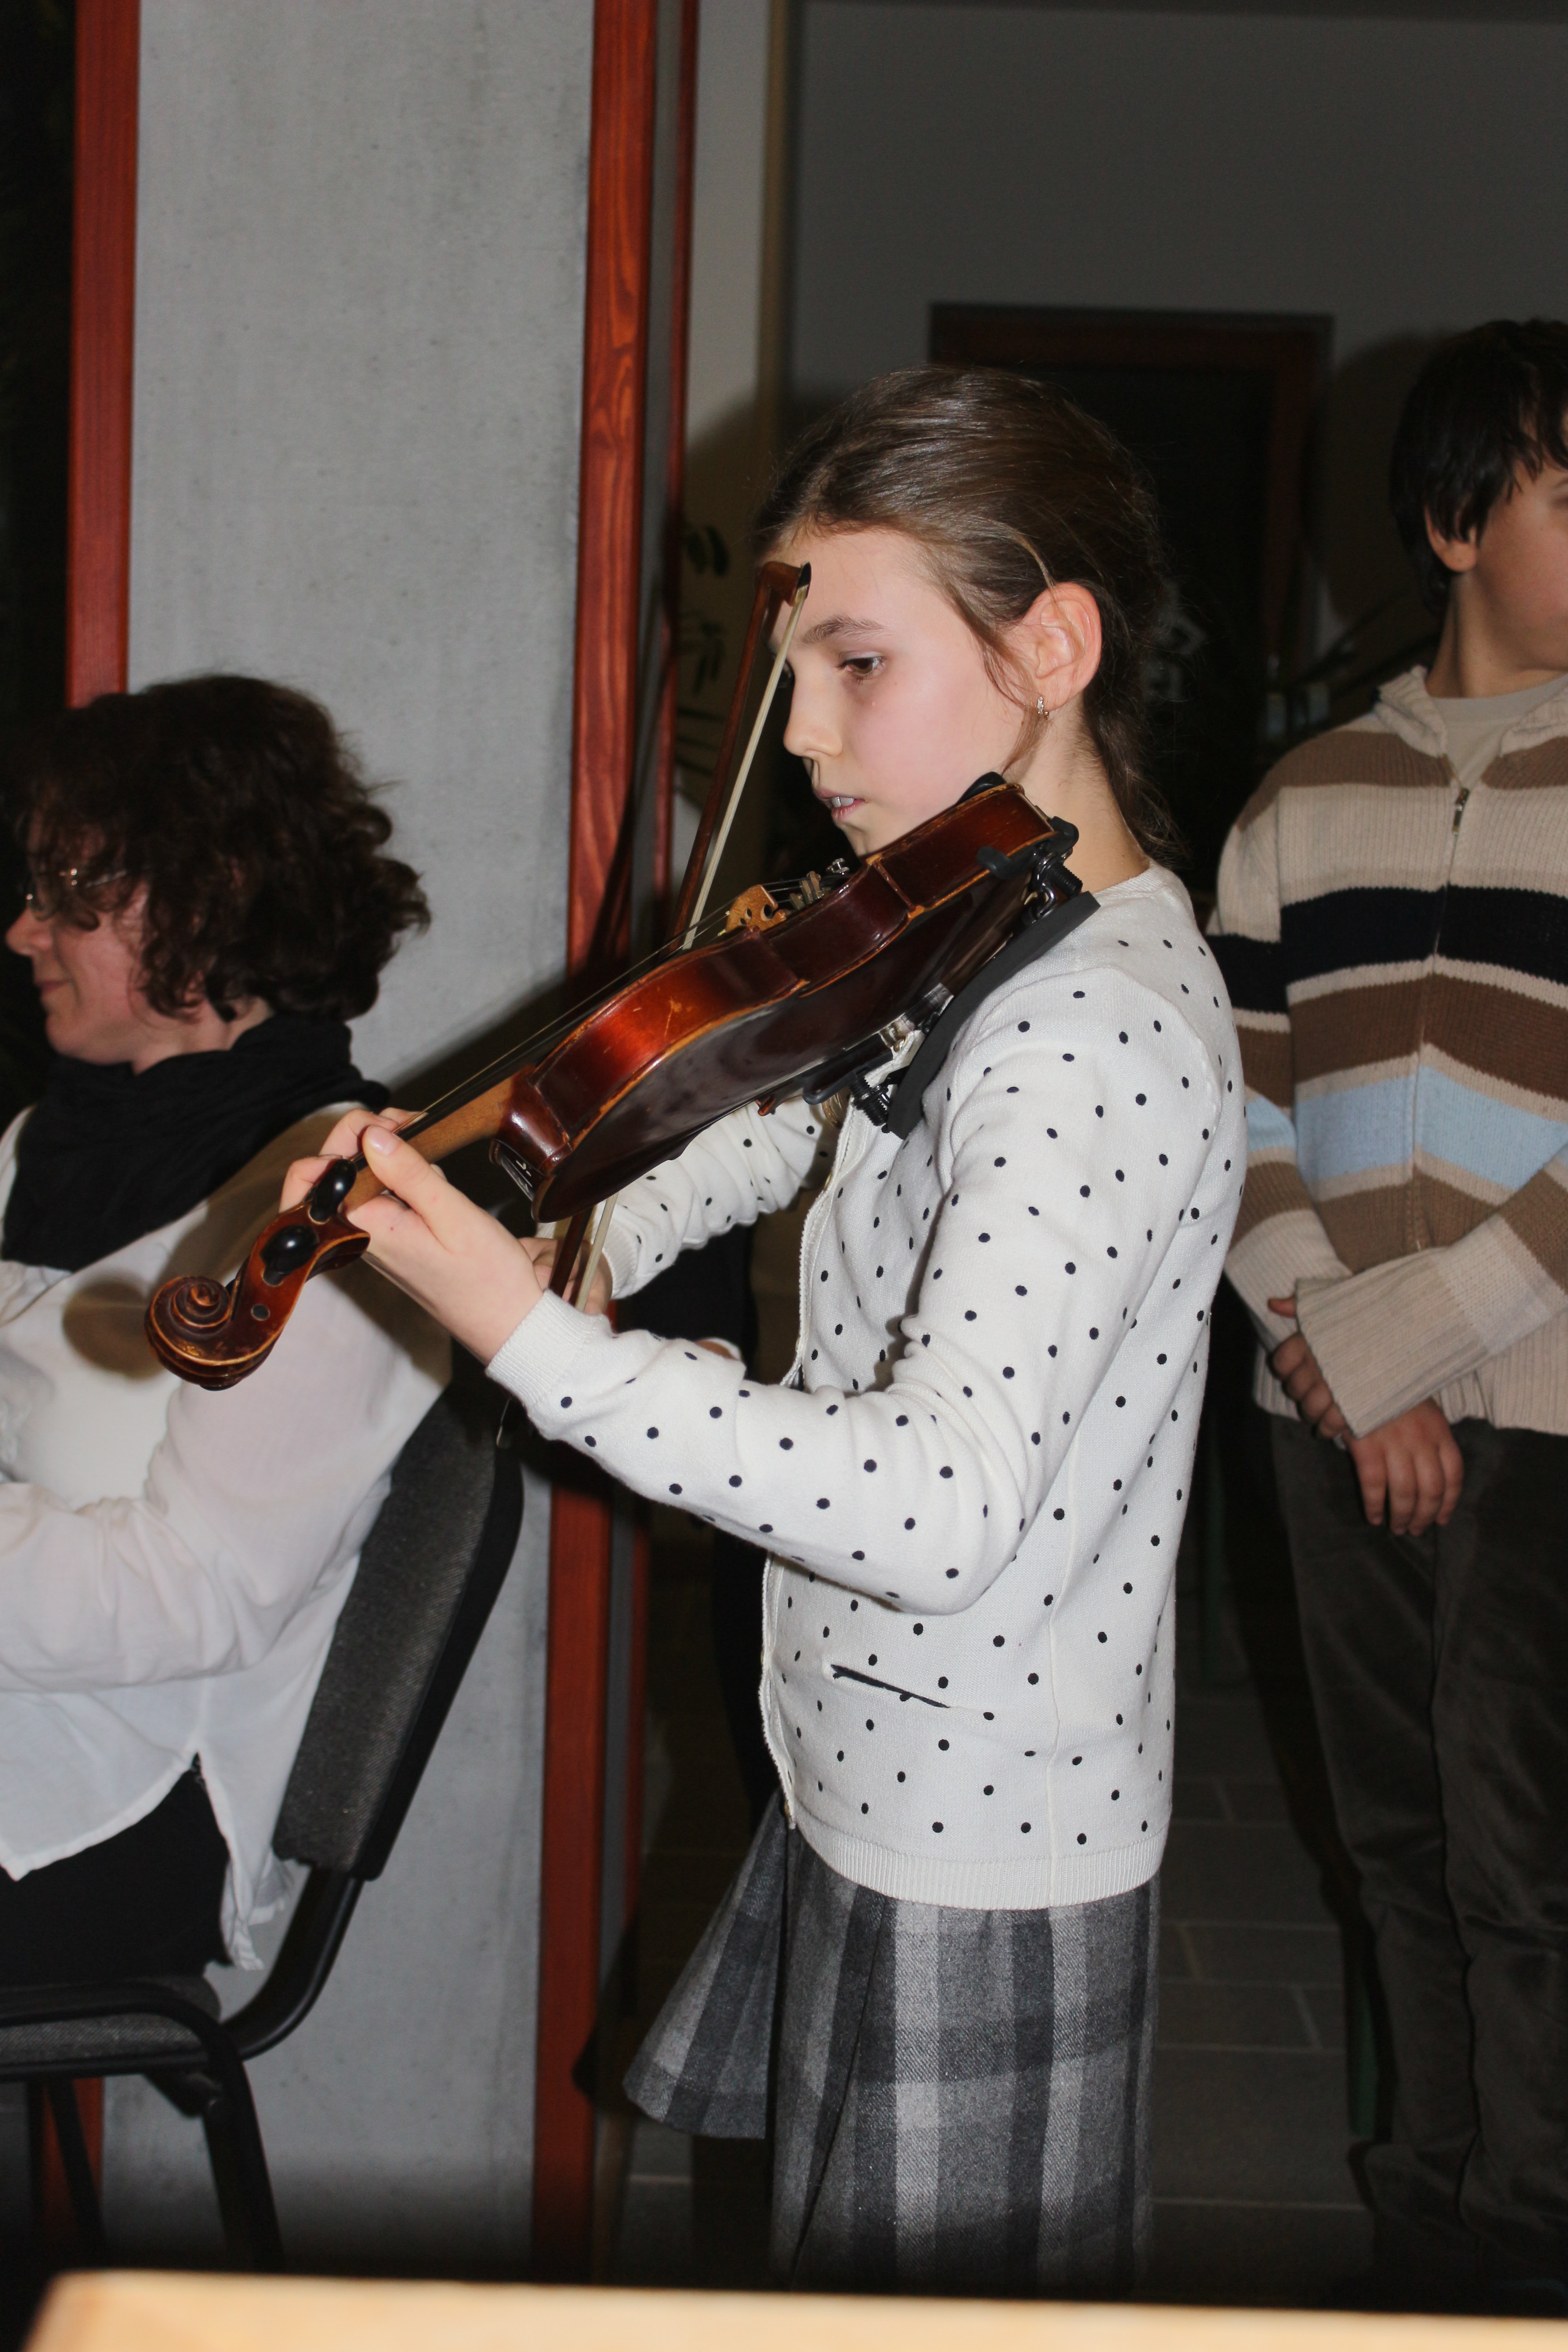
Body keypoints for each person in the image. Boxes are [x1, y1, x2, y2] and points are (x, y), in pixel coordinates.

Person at [287, 368, 1245, 2295]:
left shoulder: (1089, 1030)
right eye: (797, 671)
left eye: (857, 665)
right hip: (868, 1781)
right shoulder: (990, 927)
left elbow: (939, 1509)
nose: (802, 734)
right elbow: (802, 1114)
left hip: (978, 1846)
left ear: (1052, 648)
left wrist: (535, 1337)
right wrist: (594, 1223)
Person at [1210, 319, 1568, 2313]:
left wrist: (1410, 1344)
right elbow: (1232, 1116)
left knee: (1537, 1863)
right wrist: (1343, 1360)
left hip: (1549, 1412)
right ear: (1452, 522)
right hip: (1327, 1409)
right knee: (1399, 1849)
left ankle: (1536, 2247)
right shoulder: (1302, 802)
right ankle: (1428, 2223)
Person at [0, 674, 446, 1983]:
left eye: (67, 892)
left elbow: (195, 1596)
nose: (23, 932)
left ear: (211, 896)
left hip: (119, 1796)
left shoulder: (345, 1207)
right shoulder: (45, 1144)